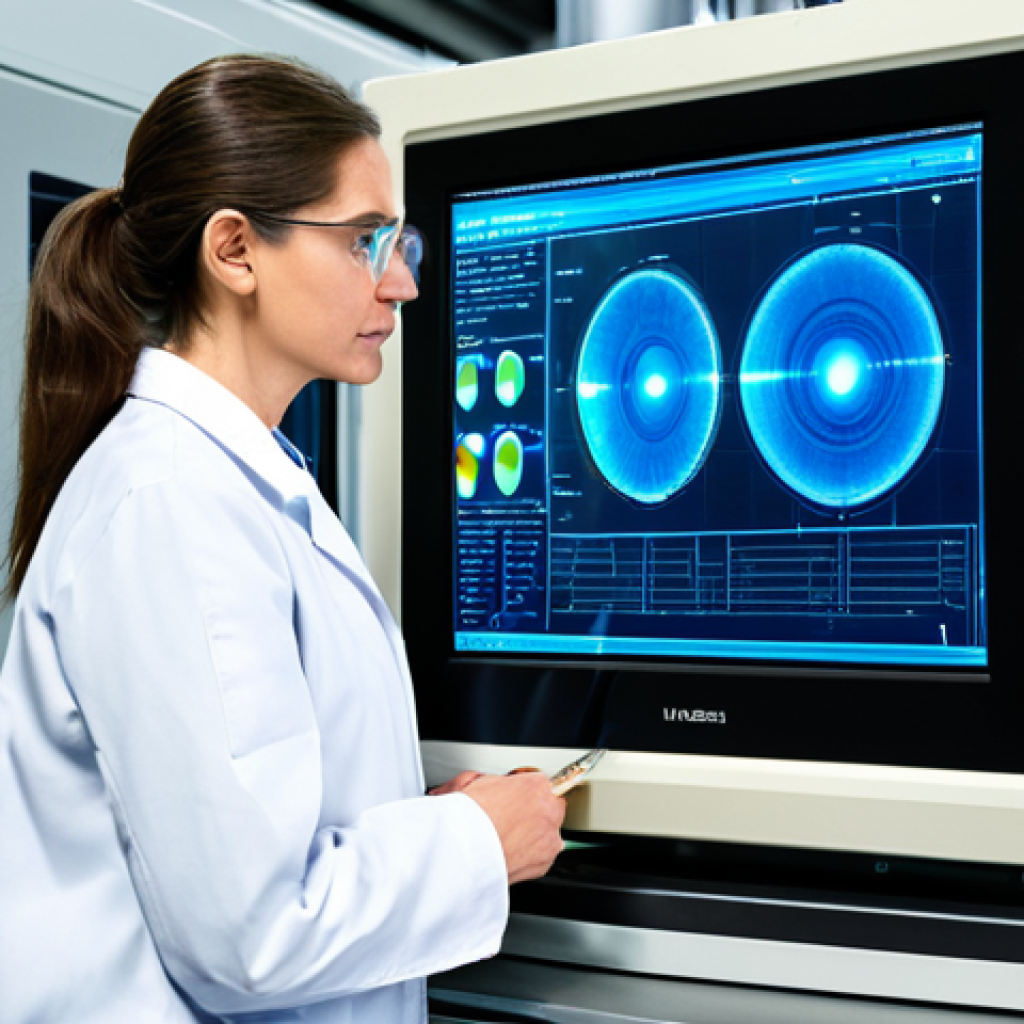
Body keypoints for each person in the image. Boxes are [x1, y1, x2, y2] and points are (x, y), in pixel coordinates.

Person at [0, 54, 565, 1023]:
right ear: (235, 251)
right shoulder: (171, 504)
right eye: (364, 241)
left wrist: (427, 820)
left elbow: (256, 828)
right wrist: (477, 842)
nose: (401, 284)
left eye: (398, 242)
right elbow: (254, 936)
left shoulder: (239, 485)